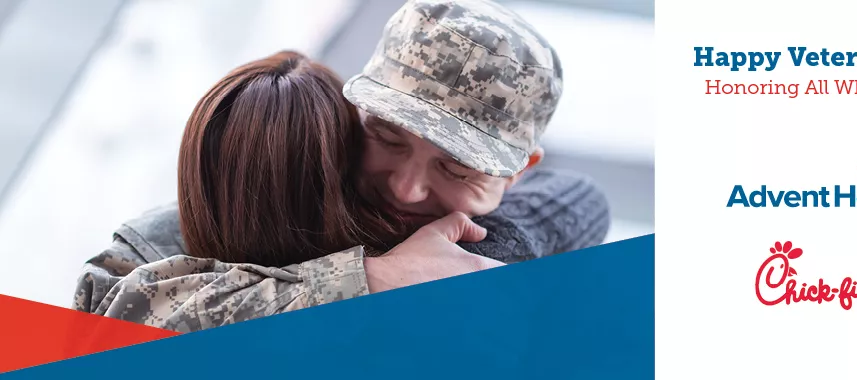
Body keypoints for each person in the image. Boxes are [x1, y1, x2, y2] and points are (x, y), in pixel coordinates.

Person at [73, 0, 609, 332]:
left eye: (458, 168)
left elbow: (581, 199)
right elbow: (108, 329)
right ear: (355, 112)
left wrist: (502, 249)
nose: (406, 188)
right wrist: (375, 279)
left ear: (517, 174)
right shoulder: (179, 238)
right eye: (387, 138)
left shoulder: (502, 242)